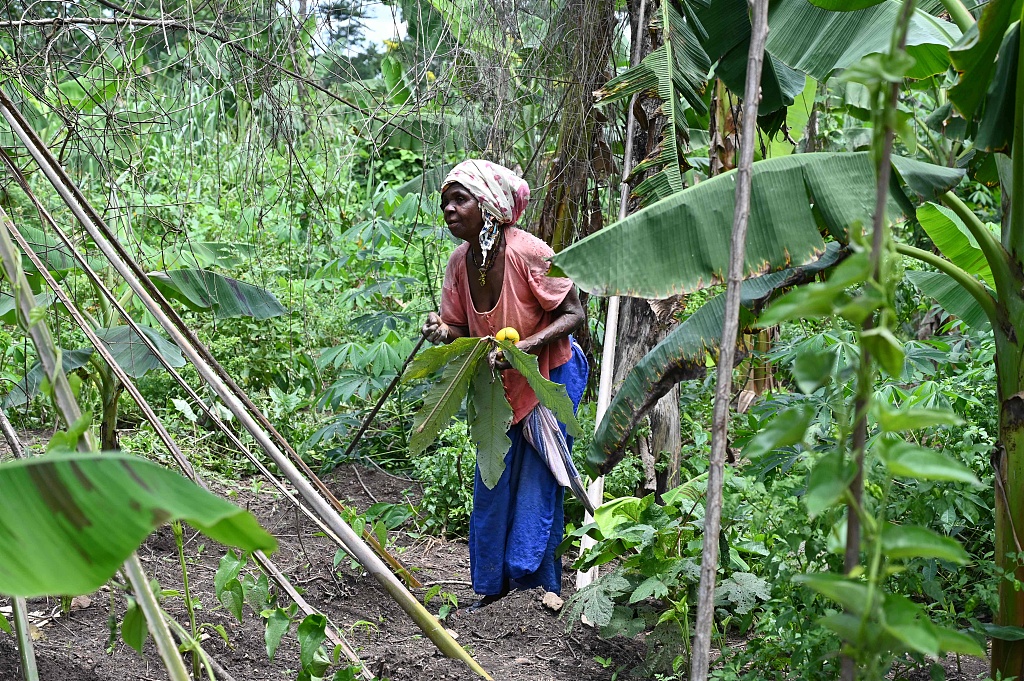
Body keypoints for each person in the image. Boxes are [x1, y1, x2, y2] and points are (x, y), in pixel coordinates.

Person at [421, 159, 589, 610]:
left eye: (460, 200)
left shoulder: (528, 252)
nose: (449, 210)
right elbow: (460, 326)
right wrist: (442, 330)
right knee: (492, 485)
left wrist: (527, 347)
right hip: (499, 389)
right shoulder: (460, 263)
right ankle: (493, 588)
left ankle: (540, 587)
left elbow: (574, 313)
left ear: (489, 206)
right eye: (445, 203)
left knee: (539, 483)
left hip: (549, 376)